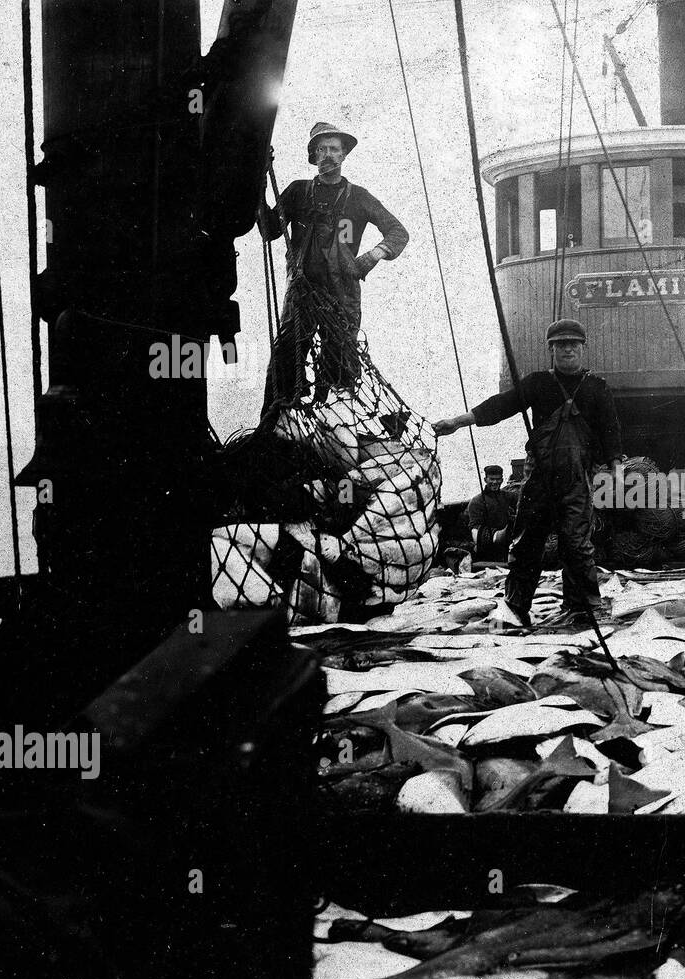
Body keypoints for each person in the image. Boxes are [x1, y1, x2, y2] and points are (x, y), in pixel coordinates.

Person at [433, 319, 625, 628]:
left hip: (577, 482)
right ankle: (515, 607)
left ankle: (584, 609)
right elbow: (503, 405)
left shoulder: (597, 388)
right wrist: (459, 421)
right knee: (525, 545)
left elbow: (611, 430)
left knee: (577, 546)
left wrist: (616, 468)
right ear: (551, 349)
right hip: (539, 481)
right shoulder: (538, 383)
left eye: (573, 344)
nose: (568, 349)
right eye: (561, 344)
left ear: (582, 348)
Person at [257, 121, 409, 416]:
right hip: (303, 291)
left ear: (343, 156)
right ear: (314, 156)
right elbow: (269, 230)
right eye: (322, 149)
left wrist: (373, 255)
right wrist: (259, 187)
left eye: (334, 149)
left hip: (342, 293)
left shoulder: (359, 198)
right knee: (287, 354)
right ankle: (276, 420)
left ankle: (334, 425)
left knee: (340, 362)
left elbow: (398, 233)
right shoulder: (299, 193)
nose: (328, 154)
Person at [466, 465, 516, 562]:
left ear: (502, 480)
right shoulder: (477, 501)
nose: (495, 482)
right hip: (489, 547)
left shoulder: (509, 496)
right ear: (485, 479)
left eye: (498, 479)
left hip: (509, 544)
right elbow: (475, 529)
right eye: (491, 479)